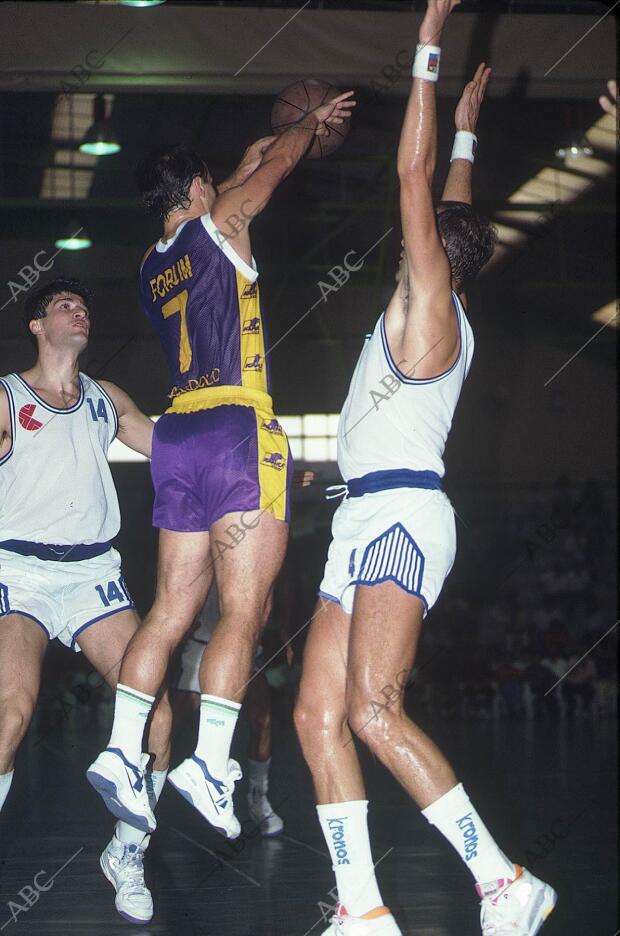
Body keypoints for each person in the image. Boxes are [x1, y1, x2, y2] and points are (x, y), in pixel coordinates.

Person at [294, 4, 556, 934]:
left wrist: (430, 46)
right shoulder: (446, 291)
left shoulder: (433, 302)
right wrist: (469, 134)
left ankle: (505, 881)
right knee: (317, 714)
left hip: (402, 516)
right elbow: (446, 196)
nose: (415, 230)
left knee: (374, 710)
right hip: (360, 518)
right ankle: (363, 910)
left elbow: (413, 175)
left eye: (427, 235)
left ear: (437, 255)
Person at [88, 93, 355, 840]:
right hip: (237, 425)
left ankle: (120, 751)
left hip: (177, 433)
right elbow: (278, 168)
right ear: (201, 190)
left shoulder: (151, 263)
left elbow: (231, 188)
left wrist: (242, 160)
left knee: (169, 612)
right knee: (245, 610)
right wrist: (306, 125)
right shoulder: (223, 223)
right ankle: (208, 763)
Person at [0, 278, 172, 925]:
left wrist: (234, 435)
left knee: (157, 718)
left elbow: (167, 450)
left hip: (93, 573)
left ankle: (126, 854)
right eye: (65, 306)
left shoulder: (105, 398)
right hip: (19, 570)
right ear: (37, 325)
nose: (80, 311)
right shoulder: (7, 397)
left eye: (84, 305)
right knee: (10, 716)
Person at [172, 581, 284, 837]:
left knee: (262, 719)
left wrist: (283, 631)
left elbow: (278, 588)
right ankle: (146, 790)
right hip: (201, 642)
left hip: (245, 647)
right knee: (174, 722)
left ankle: (258, 797)